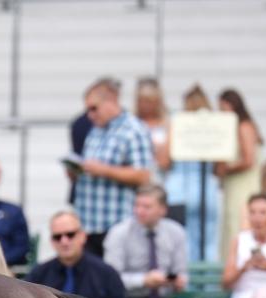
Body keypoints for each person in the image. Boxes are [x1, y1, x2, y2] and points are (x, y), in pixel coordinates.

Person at [104, 184, 216, 298]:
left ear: (162, 210)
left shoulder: (176, 232)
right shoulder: (119, 233)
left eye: (146, 207)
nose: (139, 211)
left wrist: (178, 281)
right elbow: (111, 279)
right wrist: (144, 280)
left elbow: (180, 271)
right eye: (137, 205)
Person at [73, 77, 155, 258]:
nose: (90, 115)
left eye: (94, 108)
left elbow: (143, 176)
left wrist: (104, 170)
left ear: (111, 101)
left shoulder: (134, 130)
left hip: (115, 223)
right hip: (88, 224)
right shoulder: (95, 130)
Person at [164, 85, 222, 262]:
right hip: (207, 187)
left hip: (179, 187)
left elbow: (164, 160)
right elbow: (220, 166)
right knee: (209, 239)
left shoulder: (177, 123)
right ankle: (208, 277)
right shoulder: (216, 125)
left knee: (183, 237)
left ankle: (186, 275)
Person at [214, 88, 263, 257]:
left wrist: (226, 169)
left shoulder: (243, 126)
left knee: (239, 224)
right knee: (230, 225)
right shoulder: (232, 129)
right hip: (233, 185)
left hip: (244, 185)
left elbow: (249, 159)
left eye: (223, 108)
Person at [135, 77, 171, 175]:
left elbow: (165, 160)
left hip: (161, 174)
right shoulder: (133, 123)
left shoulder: (166, 124)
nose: (145, 105)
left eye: (149, 101)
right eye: (141, 100)